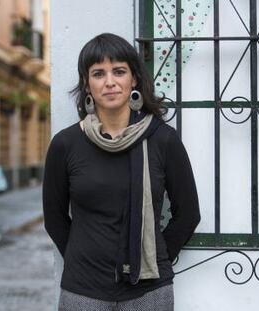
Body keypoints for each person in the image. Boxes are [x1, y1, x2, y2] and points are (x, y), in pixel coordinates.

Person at [43, 33, 200, 311]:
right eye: (98, 73)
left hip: (148, 291)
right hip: (83, 290)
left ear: (134, 79)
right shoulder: (65, 144)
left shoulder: (163, 140)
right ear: (87, 84)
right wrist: (82, 259)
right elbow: (54, 218)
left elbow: (188, 213)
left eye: (119, 71)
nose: (110, 82)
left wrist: (153, 258)